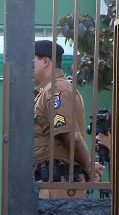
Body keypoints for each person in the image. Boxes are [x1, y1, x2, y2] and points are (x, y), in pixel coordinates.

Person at [32, 40, 103, 198]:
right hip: (51, 181)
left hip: (58, 184)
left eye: (32, 60)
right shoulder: (47, 92)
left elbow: (72, 137)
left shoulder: (56, 91)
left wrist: (88, 167)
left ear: (45, 61)